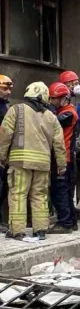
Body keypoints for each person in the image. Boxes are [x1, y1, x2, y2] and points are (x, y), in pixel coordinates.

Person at [0, 82, 66, 240]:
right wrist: (62, 165)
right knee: (40, 196)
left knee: (18, 195)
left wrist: (2, 157)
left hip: (20, 162)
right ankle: (41, 230)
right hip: (43, 164)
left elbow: (5, 135)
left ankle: (17, 231)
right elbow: (59, 143)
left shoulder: (15, 110)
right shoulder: (52, 117)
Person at [47, 82, 79, 234]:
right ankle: (71, 221)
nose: (52, 102)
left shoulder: (68, 113)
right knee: (64, 191)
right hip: (64, 157)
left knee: (59, 191)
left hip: (63, 157)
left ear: (63, 98)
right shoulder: (64, 111)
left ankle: (65, 222)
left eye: (54, 99)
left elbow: (51, 125)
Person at [0, 75, 11, 233]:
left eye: (9, 89)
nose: (8, 92)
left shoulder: (5, 106)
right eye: (4, 89)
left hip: (3, 153)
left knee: (4, 187)